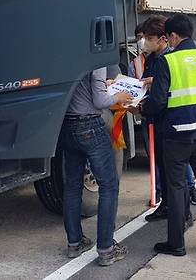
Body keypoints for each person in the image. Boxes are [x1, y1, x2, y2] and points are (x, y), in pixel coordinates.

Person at [135, 13, 196, 256]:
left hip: (176, 135)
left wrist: (140, 109)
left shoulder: (167, 61)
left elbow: (158, 101)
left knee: (175, 187)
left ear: (173, 36)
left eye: (168, 37)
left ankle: (177, 244)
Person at [61, 67, 133, 266]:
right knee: (109, 186)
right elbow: (100, 101)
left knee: (72, 186)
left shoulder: (67, 55)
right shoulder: (96, 59)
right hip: (90, 126)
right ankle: (106, 249)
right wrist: (118, 95)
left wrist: (104, 85)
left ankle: (74, 243)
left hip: (67, 125)